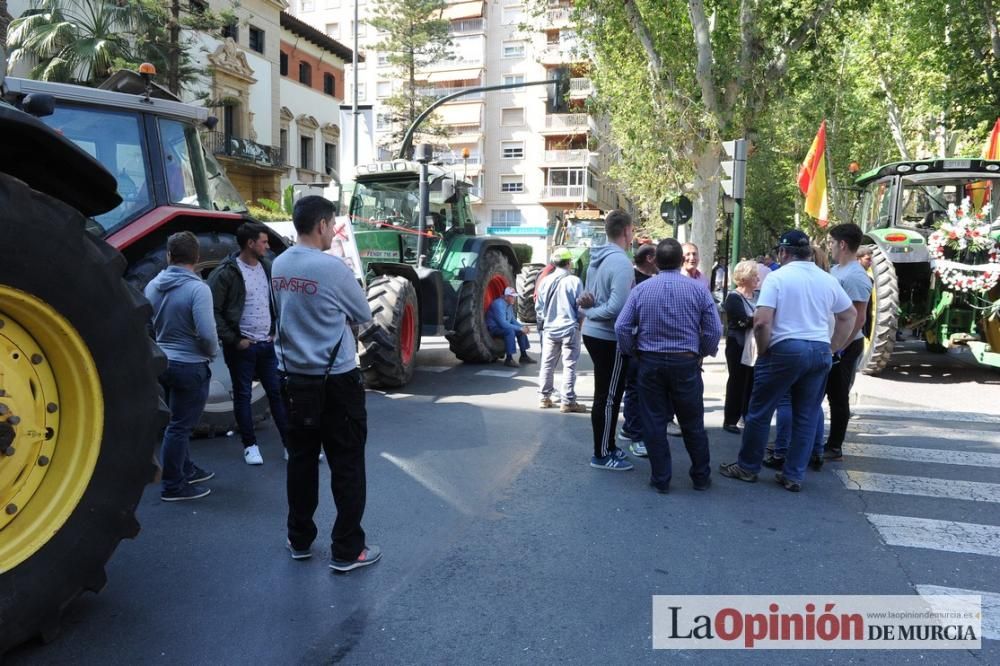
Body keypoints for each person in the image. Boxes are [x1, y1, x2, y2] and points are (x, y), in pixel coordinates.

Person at [271, 195, 381, 571]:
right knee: (347, 464)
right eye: (332, 224)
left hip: (294, 381)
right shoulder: (332, 268)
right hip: (337, 382)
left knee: (301, 462)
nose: (334, 231)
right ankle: (348, 550)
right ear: (321, 225)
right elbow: (364, 314)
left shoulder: (279, 264)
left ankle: (299, 539)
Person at [719, 230, 856, 492]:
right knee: (806, 414)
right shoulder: (827, 279)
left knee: (760, 411)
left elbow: (761, 321)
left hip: (785, 348)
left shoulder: (778, 278)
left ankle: (748, 467)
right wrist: (832, 347)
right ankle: (793, 475)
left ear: (783, 253)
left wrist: (764, 349)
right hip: (818, 350)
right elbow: (848, 315)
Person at [615, 239, 723, 493]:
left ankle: (661, 478)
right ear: (679, 260)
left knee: (653, 422)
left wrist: (633, 351)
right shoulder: (697, 290)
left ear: (657, 261)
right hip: (685, 362)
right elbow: (714, 329)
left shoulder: (642, 290)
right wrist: (703, 353)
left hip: (650, 363)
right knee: (692, 422)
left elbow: (622, 327)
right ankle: (700, 476)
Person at [144, 231, 219, 502]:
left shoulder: (153, 285)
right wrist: (212, 353)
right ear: (197, 257)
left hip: (164, 362)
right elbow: (208, 334)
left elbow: (148, 323)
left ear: (168, 255)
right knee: (180, 427)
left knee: (174, 423)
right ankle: (174, 485)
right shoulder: (198, 289)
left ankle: (186, 469)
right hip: (190, 365)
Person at [207, 222, 289, 466]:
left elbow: (276, 301)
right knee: (243, 395)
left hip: (267, 344)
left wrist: (274, 330)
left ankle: (289, 444)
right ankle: (250, 446)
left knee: (276, 393)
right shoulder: (226, 273)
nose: (267, 245)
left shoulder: (267, 267)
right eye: (263, 241)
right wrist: (235, 340)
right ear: (250, 244)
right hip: (242, 347)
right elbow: (214, 311)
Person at [580, 209, 636, 471]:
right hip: (608, 336)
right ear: (626, 231)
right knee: (609, 397)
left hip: (595, 334)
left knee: (607, 395)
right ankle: (602, 453)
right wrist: (591, 312)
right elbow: (617, 307)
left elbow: (587, 297)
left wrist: (589, 311)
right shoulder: (621, 262)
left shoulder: (597, 259)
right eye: (632, 230)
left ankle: (608, 446)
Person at [822, 223, 872, 461]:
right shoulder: (836, 271)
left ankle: (834, 445)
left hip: (845, 345)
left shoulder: (855, 275)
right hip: (833, 342)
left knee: (838, 395)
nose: (829, 246)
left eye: (831, 242)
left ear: (842, 244)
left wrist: (839, 346)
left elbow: (858, 316)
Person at [536, 248, 586, 413]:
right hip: (569, 328)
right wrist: (579, 323)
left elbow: (539, 307)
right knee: (569, 365)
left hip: (550, 329)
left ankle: (544, 398)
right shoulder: (574, 281)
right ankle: (568, 401)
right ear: (569, 262)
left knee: (547, 364)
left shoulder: (545, 281)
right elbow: (580, 307)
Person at [619, 243, 658, 457]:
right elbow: (624, 319)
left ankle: (629, 427)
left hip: (639, 343)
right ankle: (636, 435)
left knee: (634, 389)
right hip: (636, 343)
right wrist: (629, 347)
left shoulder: (649, 279)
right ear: (651, 258)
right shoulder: (633, 279)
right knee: (635, 389)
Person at [722, 259, 759, 434]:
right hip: (738, 345)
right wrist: (761, 318)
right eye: (754, 275)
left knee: (751, 381)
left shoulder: (759, 295)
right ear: (744, 278)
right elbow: (742, 322)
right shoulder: (733, 298)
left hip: (756, 345)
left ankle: (747, 416)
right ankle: (730, 419)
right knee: (737, 381)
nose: (757, 278)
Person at [487, 287, 535, 367]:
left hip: (502, 327)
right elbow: (503, 324)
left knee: (520, 331)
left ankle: (524, 356)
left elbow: (513, 320)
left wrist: (523, 327)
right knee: (510, 331)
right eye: (512, 296)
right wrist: (520, 328)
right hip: (494, 328)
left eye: (514, 296)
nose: (514, 298)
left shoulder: (509, 304)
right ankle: (509, 359)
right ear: (506, 296)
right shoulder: (498, 304)